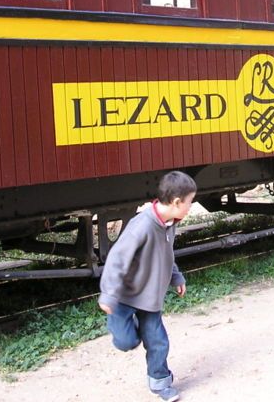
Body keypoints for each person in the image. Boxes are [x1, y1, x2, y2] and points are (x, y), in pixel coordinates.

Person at [98, 170, 197, 402]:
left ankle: (160, 383)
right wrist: (109, 295)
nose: (190, 208)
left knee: (157, 341)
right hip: (124, 297)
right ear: (175, 202)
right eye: (189, 203)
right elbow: (116, 260)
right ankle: (122, 323)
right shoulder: (141, 226)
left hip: (150, 298)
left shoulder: (170, 223)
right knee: (126, 342)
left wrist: (176, 277)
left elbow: (166, 254)